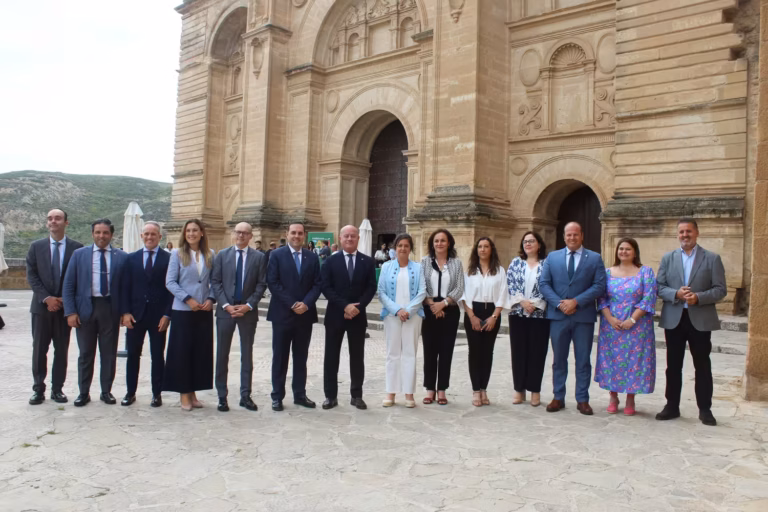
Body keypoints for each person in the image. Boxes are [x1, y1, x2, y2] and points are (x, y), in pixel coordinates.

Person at [656, 218, 726, 426]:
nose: (684, 235)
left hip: (700, 319)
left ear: (696, 233)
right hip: (675, 319)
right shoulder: (668, 258)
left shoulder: (712, 258)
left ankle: (705, 409)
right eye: (681, 232)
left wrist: (699, 297)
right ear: (677, 234)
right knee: (673, 365)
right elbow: (659, 287)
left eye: (688, 231)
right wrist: (676, 293)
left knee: (702, 365)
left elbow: (720, 289)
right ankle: (672, 406)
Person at [539, 222, 606, 415]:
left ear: (581, 236)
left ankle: (582, 399)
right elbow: (544, 284)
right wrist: (560, 304)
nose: (572, 238)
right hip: (558, 316)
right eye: (568, 235)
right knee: (559, 359)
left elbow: (599, 286)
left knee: (583, 360)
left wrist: (576, 301)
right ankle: (558, 397)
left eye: (575, 234)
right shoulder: (552, 257)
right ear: (564, 236)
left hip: (583, 317)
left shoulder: (594, 258)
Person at [62, 218, 127, 407]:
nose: (101, 236)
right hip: (85, 309)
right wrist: (70, 312)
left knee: (109, 353)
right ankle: (83, 392)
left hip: (110, 309)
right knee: (85, 353)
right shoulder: (79, 255)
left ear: (111, 235)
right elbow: (68, 285)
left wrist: (125, 312)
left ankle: (106, 391)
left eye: (105, 232)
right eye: (98, 232)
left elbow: (126, 288)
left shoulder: (122, 257)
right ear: (92, 234)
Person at [26, 209, 83, 405]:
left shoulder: (77, 248)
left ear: (66, 222)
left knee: (61, 350)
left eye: (58, 218)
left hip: (64, 309)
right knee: (39, 350)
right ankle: (38, 389)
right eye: (50, 218)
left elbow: (78, 277)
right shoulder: (36, 247)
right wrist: (47, 298)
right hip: (41, 308)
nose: (53, 221)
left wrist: (65, 300)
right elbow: (32, 275)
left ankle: (57, 389)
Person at [595, 238, 657, 416]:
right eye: (621, 248)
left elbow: (649, 298)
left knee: (634, 361)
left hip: (638, 326)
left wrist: (632, 319)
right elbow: (601, 298)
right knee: (612, 360)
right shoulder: (607, 272)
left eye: (628, 249)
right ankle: (613, 397)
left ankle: (631, 398)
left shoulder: (645, 272)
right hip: (612, 326)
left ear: (635, 252)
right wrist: (610, 318)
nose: (623, 252)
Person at [211, 222, 267, 412]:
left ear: (251, 236)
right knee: (222, 354)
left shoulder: (259, 257)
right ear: (233, 234)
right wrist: (226, 305)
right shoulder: (221, 255)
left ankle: (245, 395)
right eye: (238, 232)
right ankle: (222, 396)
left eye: (245, 233)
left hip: (247, 312)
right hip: (225, 312)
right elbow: (216, 282)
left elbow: (261, 284)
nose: (241, 235)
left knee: (247, 355)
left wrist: (248, 305)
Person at [320, 225, 377, 410]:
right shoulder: (330, 261)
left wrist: (357, 307)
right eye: (346, 236)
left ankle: (357, 395)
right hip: (335, 315)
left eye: (353, 236)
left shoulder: (367, 261)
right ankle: (330, 396)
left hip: (358, 316)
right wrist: (345, 306)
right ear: (340, 238)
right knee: (331, 357)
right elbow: (326, 287)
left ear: (358, 238)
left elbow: (371, 287)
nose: (350, 239)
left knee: (357, 357)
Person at [266, 222, 322, 411]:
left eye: (300, 233)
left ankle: (300, 394)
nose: (296, 236)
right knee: (280, 357)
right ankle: (277, 396)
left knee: (301, 358)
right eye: (293, 233)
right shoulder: (276, 255)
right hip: (282, 314)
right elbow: (273, 282)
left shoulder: (312, 257)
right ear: (287, 234)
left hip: (305, 315)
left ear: (304, 235)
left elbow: (317, 284)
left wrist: (306, 303)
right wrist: (292, 304)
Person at [118, 221, 173, 407]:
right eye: (146, 234)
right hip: (135, 316)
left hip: (158, 317)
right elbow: (125, 287)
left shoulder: (168, 259)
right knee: (133, 355)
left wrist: (167, 315)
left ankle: (157, 394)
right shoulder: (131, 259)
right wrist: (125, 312)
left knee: (157, 356)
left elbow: (171, 290)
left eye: (153, 234)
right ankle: (130, 392)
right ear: (142, 236)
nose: (150, 237)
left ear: (160, 237)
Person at [163, 219, 216, 411]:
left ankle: (193, 392)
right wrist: (188, 299)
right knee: (182, 352)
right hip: (183, 310)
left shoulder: (210, 254)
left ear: (202, 233)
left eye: (195, 230)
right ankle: (184, 393)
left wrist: (211, 298)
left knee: (200, 352)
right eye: (188, 231)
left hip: (203, 310)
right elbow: (170, 282)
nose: (191, 234)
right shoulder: (177, 254)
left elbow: (214, 280)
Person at [378, 234, 426, 408]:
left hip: (413, 316)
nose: (403, 248)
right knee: (392, 353)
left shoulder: (418, 268)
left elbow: (422, 291)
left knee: (409, 353)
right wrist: (397, 310)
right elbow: (381, 291)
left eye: (406, 245)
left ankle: (409, 393)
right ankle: (390, 392)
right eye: (400, 245)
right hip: (392, 316)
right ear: (395, 248)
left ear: (410, 248)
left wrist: (408, 310)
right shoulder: (386, 267)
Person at [460, 237, 507, 407]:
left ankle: (484, 389)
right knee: (474, 352)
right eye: (480, 246)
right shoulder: (470, 271)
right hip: (473, 311)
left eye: (486, 246)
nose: (483, 249)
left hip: (492, 313)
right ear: (476, 250)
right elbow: (464, 295)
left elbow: (503, 294)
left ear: (491, 249)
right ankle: (475, 390)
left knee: (487, 353)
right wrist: (471, 316)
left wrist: (494, 317)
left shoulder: (499, 271)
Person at [420, 229, 464, 405]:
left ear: (449, 243)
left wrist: (443, 303)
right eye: (436, 241)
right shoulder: (424, 262)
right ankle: (430, 389)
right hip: (429, 310)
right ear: (432, 243)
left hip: (450, 310)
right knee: (429, 351)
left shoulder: (456, 263)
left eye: (443, 240)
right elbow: (421, 285)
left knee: (446, 351)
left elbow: (459, 288)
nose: (439, 243)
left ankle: (442, 390)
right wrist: (433, 305)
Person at [506, 231, 549, 407]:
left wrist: (535, 304)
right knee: (518, 352)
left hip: (539, 315)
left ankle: (535, 390)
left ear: (539, 244)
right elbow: (510, 284)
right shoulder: (516, 263)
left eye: (531, 241)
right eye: (525, 241)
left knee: (537, 353)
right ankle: (519, 389)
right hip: (518, 313)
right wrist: (522, 302)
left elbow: (549, 285)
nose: (528, 244)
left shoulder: (547, 264)